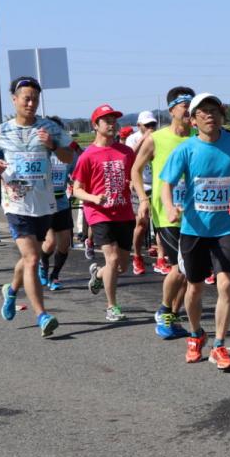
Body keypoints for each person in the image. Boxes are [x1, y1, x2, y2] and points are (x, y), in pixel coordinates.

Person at [160, 93, 230, 370]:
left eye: (214, 110)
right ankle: (195, 334)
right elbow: (166, 183)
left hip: (227, 226)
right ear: (193, 120)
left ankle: (219, 345)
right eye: (202, 112)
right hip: (194, 228)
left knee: (225, 283)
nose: (209, 115)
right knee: (194, 288)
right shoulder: (186, 149)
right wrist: (169, 208)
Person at [0, 76, 72, 338]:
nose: (31, 103)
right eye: (26, 98)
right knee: (32, 258)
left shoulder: (50, 128)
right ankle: (42, 314)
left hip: (43, 204)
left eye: (35, 99)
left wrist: (52, 145)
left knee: (28, 258)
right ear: (15, 100)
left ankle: (10, 290)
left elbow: (69, 156)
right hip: (15, 203)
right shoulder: (2, 130)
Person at [133, 87, 194, 339]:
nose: (190, 111)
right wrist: (144, 199)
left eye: (193, 105)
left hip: (196, 213)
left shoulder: (199, 138)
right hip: (166, 213)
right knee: (183, 267)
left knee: (192, 272)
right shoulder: (156, 139)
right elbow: (135, 170)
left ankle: (172, 316)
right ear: (172, 110)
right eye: (185, 106)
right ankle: (165, 309)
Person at [72, 105, 138, 322]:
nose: (112, 124)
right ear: (95, 126)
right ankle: (112, 306)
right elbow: (76, 188)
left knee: (121, 265)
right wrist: (93, 198)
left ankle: (98, 274)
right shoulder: (87, 156)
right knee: (112, 259)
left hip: (125, 212)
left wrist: (136, 189)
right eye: (106, 120)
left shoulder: (126, 152)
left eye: (113, 120)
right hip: (100, 214)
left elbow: (135, 177)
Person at [40, 117, 76, 292]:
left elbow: (76, 171)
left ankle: (55, 276)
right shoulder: (39, 150)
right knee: (50, 243)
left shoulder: (67, 152)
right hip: (44, 203)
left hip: (62, 200)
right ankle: (43, 264)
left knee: (64, 243)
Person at [127, 110, 159, 275]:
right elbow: (129, 156)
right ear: (139, 125)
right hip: (141, 185)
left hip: (157, 184)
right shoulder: (132, 138)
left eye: (153, 125)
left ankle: (161, 258)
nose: (151, 128)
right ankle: (137, 256)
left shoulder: (159, 137)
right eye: (147, 125)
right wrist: (144, 139)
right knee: (141, 223)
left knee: (160, 224)